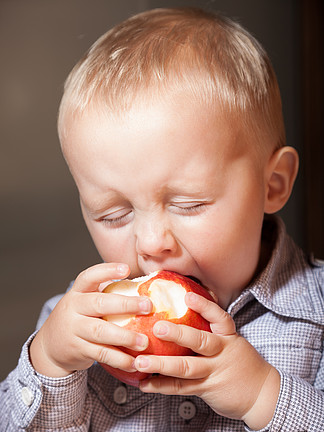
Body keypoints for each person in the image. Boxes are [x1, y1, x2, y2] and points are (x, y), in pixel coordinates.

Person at [1, 7, 323, 431]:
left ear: (273, 185)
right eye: (114, 214)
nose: (152, 243)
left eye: (188, 204)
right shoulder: (79, 324)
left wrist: (263, 394)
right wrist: (50, 363)